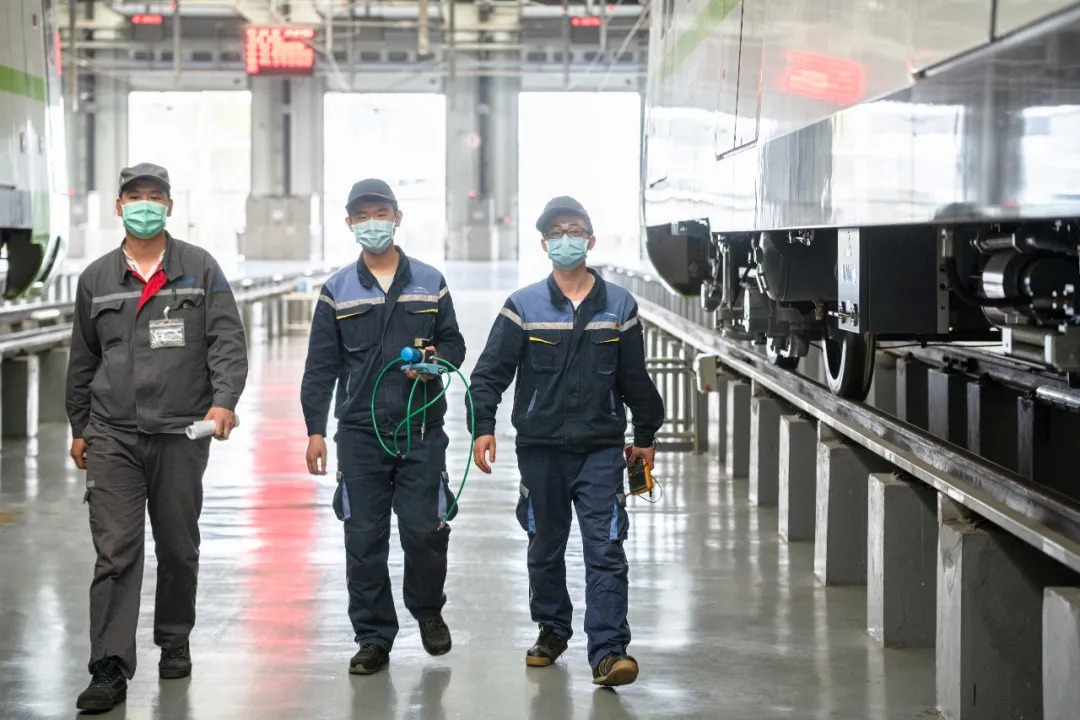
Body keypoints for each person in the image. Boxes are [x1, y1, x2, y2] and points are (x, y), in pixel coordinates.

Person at [66, 163, 248, 712]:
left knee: (177, 547)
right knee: (115, 552)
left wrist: (224, 400)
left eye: (154, 197)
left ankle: (174, 639)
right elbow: (83, 359)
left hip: (180, 431)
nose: (144, 205)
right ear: (119, 206)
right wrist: (80, 425)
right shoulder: (97, 278)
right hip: (113, 433)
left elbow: (226, 340)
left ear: (169, 206)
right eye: (134, 197)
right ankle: (109, 666)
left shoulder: (199, 267)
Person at [468, 196, 664, 687]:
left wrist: (644, 435)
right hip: (540, 450)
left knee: (606, 547)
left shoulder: (619, 306)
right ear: (544, 244)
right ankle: (552, 630)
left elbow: (635, 378)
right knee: (545, 546)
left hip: (600, 449)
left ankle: (609, 652)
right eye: (556, 233)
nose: (565, 239)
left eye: (574, 230)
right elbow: (489, 374)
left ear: (590, 240)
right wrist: (483, 426)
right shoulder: (523, 306)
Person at [301, 178, 466, 675]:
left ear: (397, 218)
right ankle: (373, 637)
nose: (372, 223)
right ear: (349, 223)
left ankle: (428, 609)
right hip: (359, 433)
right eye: (362, 216)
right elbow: (320, 366)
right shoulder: (337, 290)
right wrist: (314, 430)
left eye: (380, 213)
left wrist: (436, 360)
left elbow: (454, 343)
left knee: (424, 530)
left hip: (420, 429)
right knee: (363, 539)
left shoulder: (430, 282)